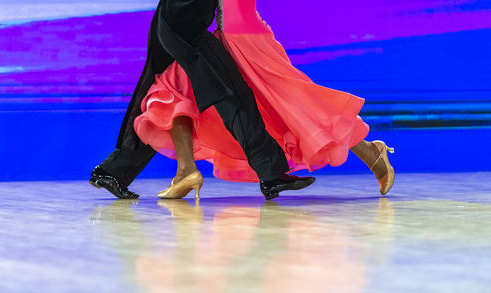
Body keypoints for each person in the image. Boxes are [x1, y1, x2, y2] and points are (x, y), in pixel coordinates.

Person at [133, 0, 395, 200]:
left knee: (293, 105)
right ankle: (185, 171)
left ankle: (370, 150)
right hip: (223, 38)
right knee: (175, 86)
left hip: (249, 39)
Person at [90, 0, 316, 201]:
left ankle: (114, 171)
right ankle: (270, 174)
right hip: (185, 24)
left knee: (166, 93)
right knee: (230, 94)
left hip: (178, 20)